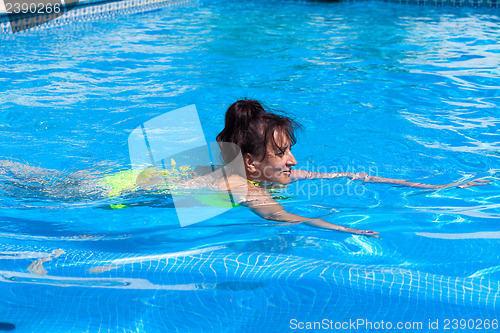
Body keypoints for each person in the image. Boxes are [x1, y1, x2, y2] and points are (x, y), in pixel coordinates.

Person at [213, 99, 490, 237]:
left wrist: (437, 187)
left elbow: (351, 175)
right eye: (281, 152)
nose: (293, 161)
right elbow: (282, 217)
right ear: (250, 161)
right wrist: (346, 230)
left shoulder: (268, 175)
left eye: (289, 150)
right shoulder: (243, 188)